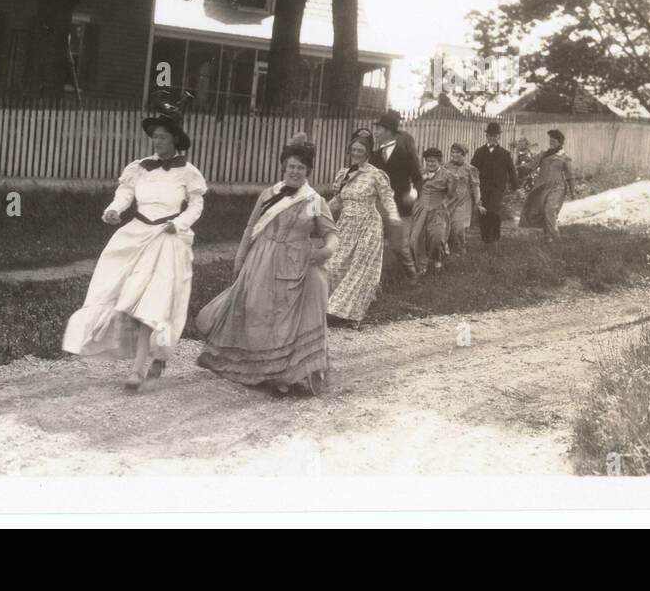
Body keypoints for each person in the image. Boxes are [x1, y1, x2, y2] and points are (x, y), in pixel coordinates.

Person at [63, 89, 207, 392]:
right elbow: (126, 193)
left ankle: (140, 368)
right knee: (122, 296)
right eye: (155, 136)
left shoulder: (189, 173)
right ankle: (145, 354)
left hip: (167, 239)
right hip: (136, 234)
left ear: (176, 140)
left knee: (156, 303)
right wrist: (114, 209)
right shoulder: (139, 167)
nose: (157, 142)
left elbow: (195, 205)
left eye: (163, 137)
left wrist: (178, 223)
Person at [195, 135, 338, 397]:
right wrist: (240, 258)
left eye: (300, 168)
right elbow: (251, 228)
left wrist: (326, 250)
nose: (295, 171)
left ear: (308, 172)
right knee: (257, 313)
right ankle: (259, 369)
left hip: (296, 264)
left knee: (285, 320)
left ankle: (284, 375)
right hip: (262, 260)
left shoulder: (315, 201)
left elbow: (331, 234)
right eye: (291, 166)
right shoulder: (268, 195)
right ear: (284, 168)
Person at [326, 130, 400, 328]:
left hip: (368, 226)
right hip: (345, 225)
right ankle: (331, 308)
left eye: (361, 150)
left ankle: (347, 315)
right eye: (354, 149)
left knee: (360, 269)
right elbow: (338, 200)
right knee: (334, 265)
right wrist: (317, 212)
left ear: (368, 152)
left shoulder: (376, 175)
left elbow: (387, 198)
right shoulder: (344, 174)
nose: (356, 153)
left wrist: (393, 215)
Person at [370, 110, 422, 279]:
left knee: (398, 246)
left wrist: (413, 195)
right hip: (378, 207)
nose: (375, 132)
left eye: (378, 129)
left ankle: (412, 275)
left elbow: (418, 179)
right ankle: (375, 280)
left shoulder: (405, 154)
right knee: (373, 244)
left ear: (388, 131)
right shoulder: (375, 156)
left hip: (401, 206)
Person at [408, 148, 462, 275]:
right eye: (428, 161)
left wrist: (454, 183)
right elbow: (413, 191)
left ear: (440, 161)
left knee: (436, 238)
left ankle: (437, 259)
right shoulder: (420, 173)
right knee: (415, 240)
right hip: (420, 209)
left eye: (433, 161)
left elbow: (451, 194)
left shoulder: (447, 175)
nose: (430, 164)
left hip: (437, 211)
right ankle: (422, 266)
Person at [520, 129, 575, 240]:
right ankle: (548, 237)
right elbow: (531, 165)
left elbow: (570, 176)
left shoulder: (564, 157)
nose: (552, 142)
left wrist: (572, 191)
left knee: (550, 209)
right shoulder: (543, 155)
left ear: (560, 142)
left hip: (558, 188)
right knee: (542, 211)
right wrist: (517, 169)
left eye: (554, 141)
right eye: (551, 140)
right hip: (542, 187)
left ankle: (556, 237)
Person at [471, 121, 518, 243]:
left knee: (493, 210)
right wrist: (471, 185)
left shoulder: (505, 154)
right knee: (483, 211)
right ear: (486, 136)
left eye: (495, 136)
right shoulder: (479, 152)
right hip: (483, 187)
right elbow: (472, 169)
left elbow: (512, 171)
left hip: (498, 187)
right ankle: (485, 238)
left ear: (499, 137)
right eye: (490, 135)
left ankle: (495, 237)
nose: (492, 138)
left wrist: (516, 187)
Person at [444, 142, 481, 257]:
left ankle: (461, 248)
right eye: (453, 152)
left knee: (458, 226)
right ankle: (447, 251)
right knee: (446, 226)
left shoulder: (471, 169)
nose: (454, 154)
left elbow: (475, 187)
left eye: (457, 152)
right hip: (448, 201)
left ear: (464, 154)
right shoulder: (445, 166)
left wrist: (478, 201)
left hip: (463, 202)